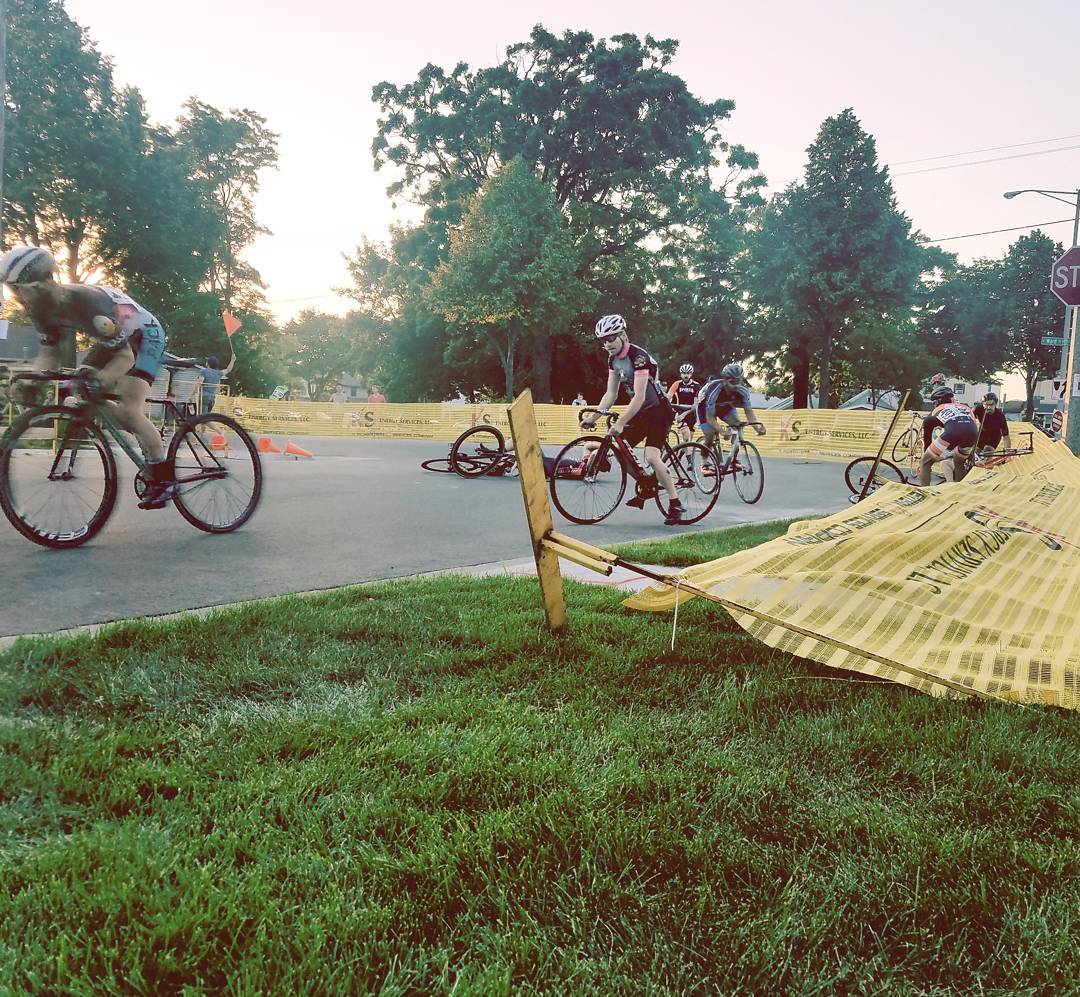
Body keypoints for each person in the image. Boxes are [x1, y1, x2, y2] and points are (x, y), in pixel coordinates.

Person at [0, 245, 175, 508]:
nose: (19, 298)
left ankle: (163, 477)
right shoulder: (40, 309)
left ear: (46, 282)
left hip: (143, 335)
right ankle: (131, 431)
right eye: (12, 291)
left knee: (129, 410)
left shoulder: (88, 304)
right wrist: (30, 381)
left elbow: (125, 357)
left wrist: (103, 379)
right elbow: (49, 354)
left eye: (22, 290)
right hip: (112, 338)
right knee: (80, 396)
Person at [581, 313, 686, 525]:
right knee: (620, 449)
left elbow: (639, 396)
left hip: (659, 410)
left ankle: (675, 504)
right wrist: (594, 416)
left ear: (623, 335)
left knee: (651, 457)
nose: (607, 343)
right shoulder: (612, 360)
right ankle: (646, 483)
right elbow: (610, 394)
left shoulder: (639, 357)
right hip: (641, 412)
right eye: (603, 340)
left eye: (611, 338)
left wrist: (620, 422)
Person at [693, 363, 766, 462]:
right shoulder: (715, 390)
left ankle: (733, 460)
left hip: (725, 407)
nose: (736, 386)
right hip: (704, 406)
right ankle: (704, 462)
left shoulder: (743, 391)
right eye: (733, 382)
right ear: (725, 380)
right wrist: (722, 431)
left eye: (739, 381)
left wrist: (757, 428)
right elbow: (710, 418)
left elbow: (749, 412)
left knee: (738, 426)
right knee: (710, 434)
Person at [920, 386, 978, 485]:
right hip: (972, 433)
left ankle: (924, 491)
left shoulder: (938, 409)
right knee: (959, 462)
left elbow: (927, 423)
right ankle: (959, 491)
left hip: (953, 432)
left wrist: (927, 452)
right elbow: (968, 426)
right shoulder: (965, 407)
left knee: (925, 463)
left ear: (938, 402)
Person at [667, 362, 702, 442]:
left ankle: (682, 454)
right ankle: (688, 455)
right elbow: (667, 398)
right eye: (683, 373)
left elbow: (695, 404)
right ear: (680, 374)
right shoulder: (677, 384)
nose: (686, 375)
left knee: (688, 442)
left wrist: (684, 414)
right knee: (686, 438)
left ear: (691, 374)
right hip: (680, 411)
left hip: (692, 413)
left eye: (688, 373)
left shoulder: (696, 386)